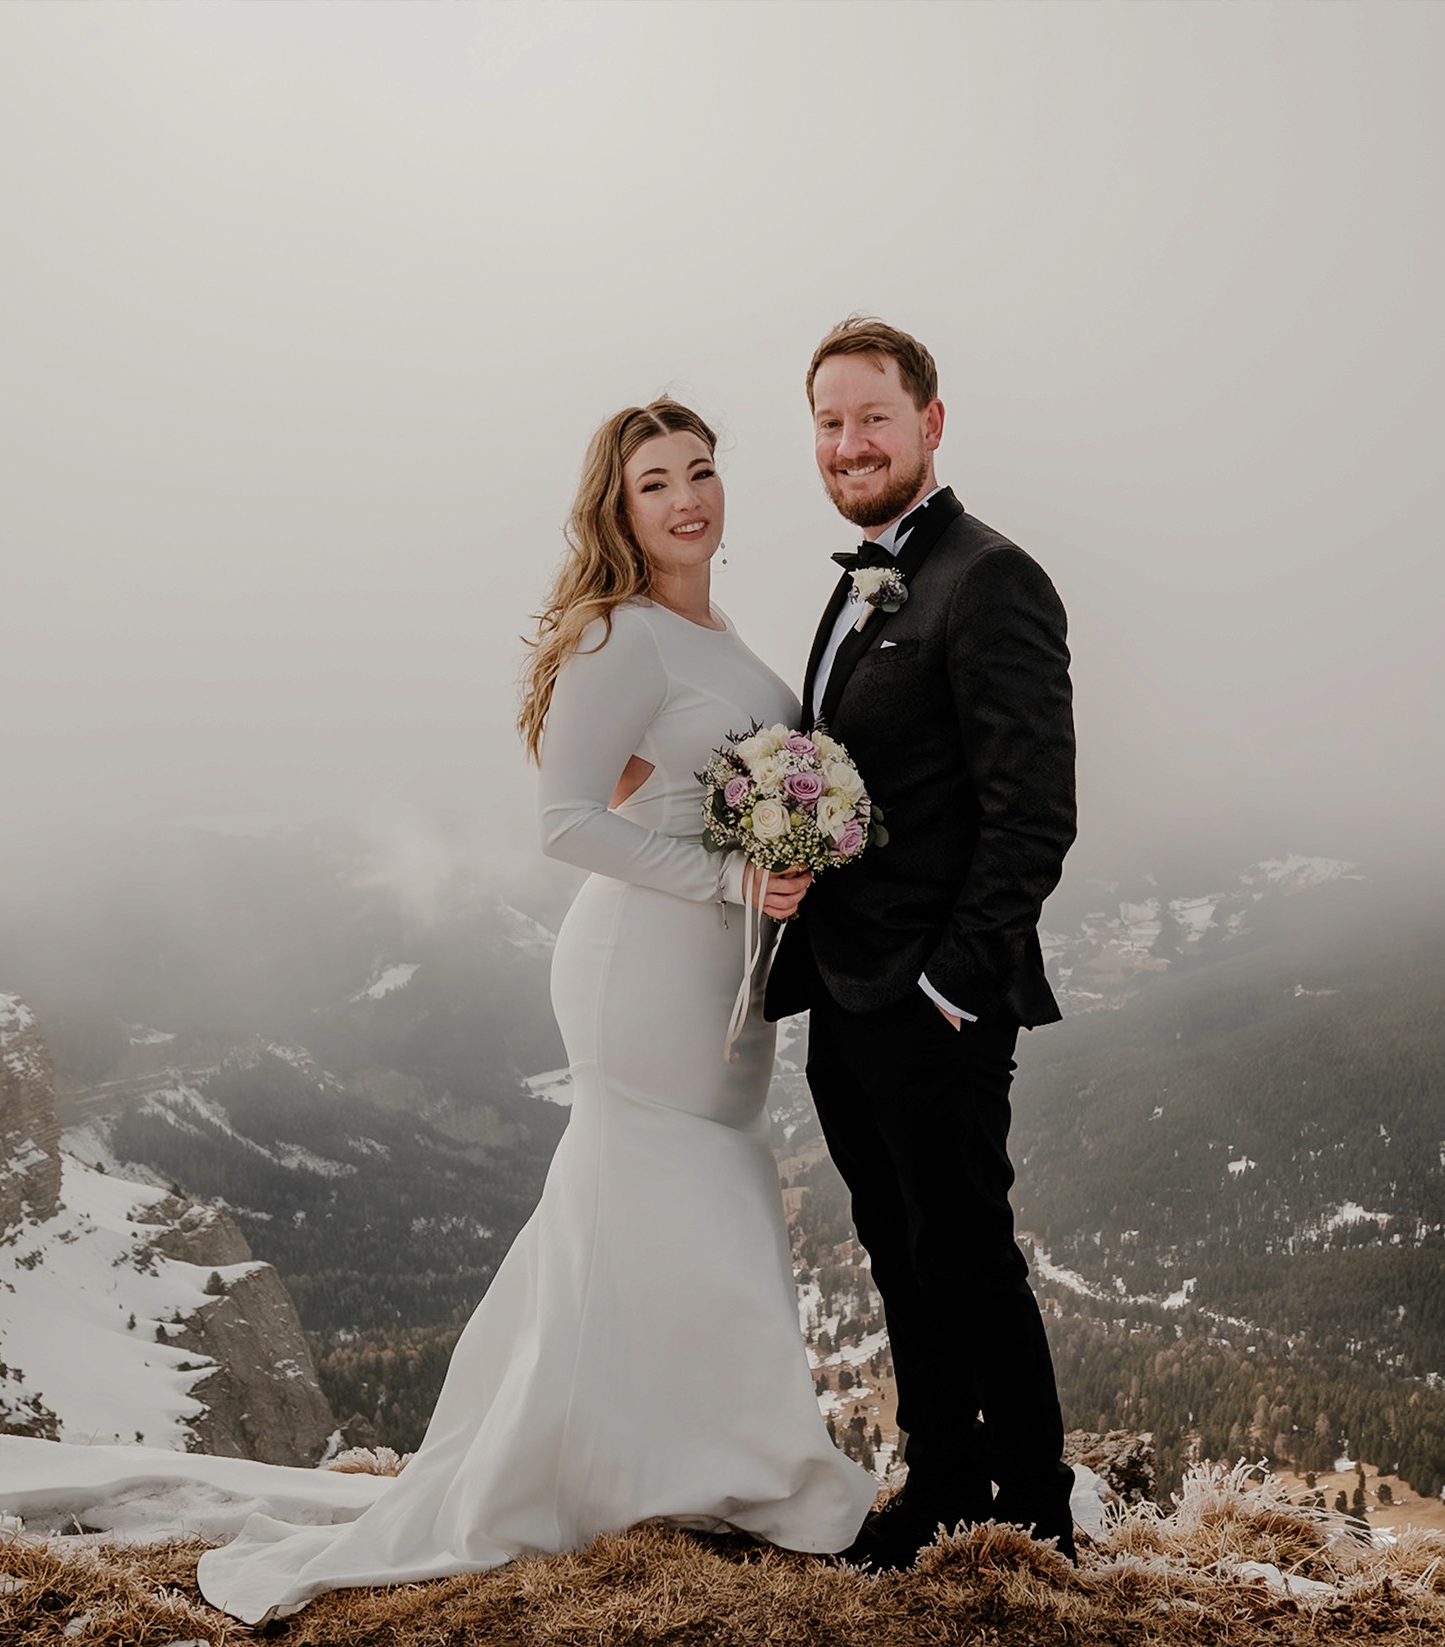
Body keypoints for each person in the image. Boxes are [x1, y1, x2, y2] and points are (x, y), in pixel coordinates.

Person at [197, 399, 876, 1625]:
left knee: (687, 1197)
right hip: (643, 965)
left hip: (725, 966)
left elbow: (661, 775)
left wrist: (770, 851)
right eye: (655, 482)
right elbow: (564, 822)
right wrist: (727, 874)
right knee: (677, 1186)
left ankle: (675, 1460)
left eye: (701, 471)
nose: (687, 499)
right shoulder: (621, 634)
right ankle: (713, 1469)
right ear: (618, 508)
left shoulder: (712, 627)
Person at [762, 317, 1080, 1568]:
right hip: (845, 991)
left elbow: (1033, 813)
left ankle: (1037, 1516)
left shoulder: (991, 579)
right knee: (899, 1254)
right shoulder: (861, 581)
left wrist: (951, 984)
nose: (849, 444)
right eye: (829, 424)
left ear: (930, 423)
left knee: (969, 1257)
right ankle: (942, 1485)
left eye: (872, 419)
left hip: (933, 998)